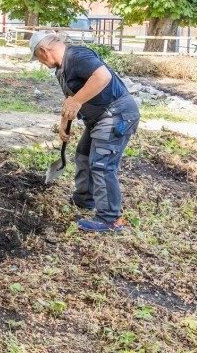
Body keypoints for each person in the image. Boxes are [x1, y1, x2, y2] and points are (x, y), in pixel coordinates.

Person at [29, 31, 139, 232]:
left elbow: (102, 76)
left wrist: (77, 101)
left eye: (39, 58)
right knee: (83, 155)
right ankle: (85, 200)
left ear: (44, 51)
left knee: (102, 164)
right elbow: (71, 96)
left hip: (116, 114)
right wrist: (64, 122)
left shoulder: (77, 56)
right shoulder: (61, 69)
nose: (41, 63)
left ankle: (110, 220)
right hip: (98, 118)